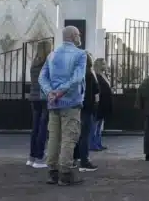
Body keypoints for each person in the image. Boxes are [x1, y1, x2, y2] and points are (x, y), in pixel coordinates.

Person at [38, 26, 86, 186]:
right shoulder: (80, 54)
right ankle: (65, 173)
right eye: (78, 34)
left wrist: (50, 92)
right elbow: (77, 78)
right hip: (71, 102)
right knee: (69, 138)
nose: (80, 37)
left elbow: (42, 77)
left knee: (53, 138)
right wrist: (61, 91)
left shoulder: (52, 55)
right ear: (73, 36)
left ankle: (52, 172)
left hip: (53, 103)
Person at [27, 39, 53, 168]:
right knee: (44, 128)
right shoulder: (47, 63)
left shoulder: (34, 63)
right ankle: (40, 157)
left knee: (35, 128)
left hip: (34, 98)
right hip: (44, 98)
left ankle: (32, 157)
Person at [73, 51, 99, 172]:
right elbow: (96, 92)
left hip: (77, 105)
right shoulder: (90, 74)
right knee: (85, 135)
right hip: (88, 107)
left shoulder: (77, 73)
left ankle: (75, 159)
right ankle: (84, 161)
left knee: (76, 134)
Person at [90, 57, 112, 151]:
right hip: (99, 104)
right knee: (95, 125)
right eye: (103, 64)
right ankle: (93, 144)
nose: (105, 65)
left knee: (99, 126)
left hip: (104, 104)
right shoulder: (96, 76)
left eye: (105, 63)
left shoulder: (103, 75)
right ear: (98, 65)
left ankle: (98, 143)